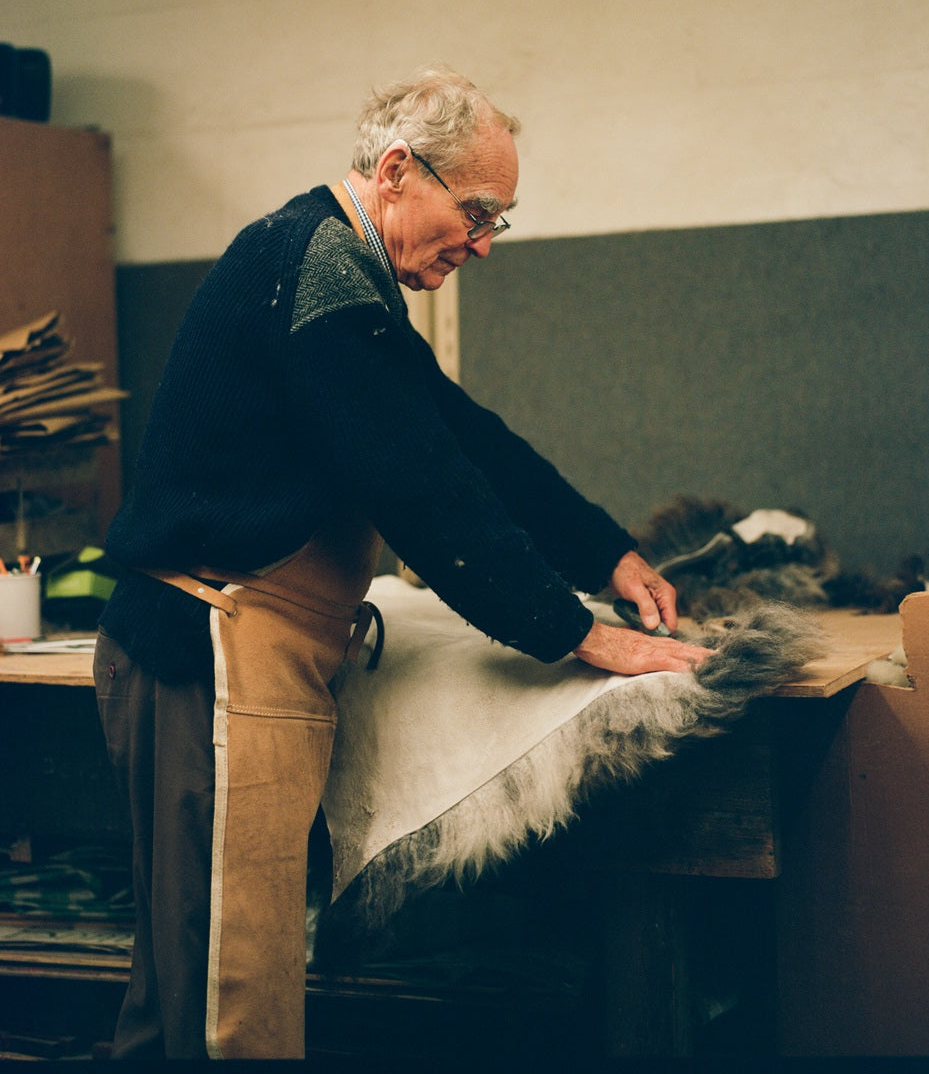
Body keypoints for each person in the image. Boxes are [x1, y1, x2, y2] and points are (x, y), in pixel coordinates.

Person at [94, 66, 711, 1060]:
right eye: (475, 212)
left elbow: (465, 439)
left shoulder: (342, 270)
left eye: (496, 221)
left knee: (187, 990)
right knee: (228, 1000)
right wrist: (581, 632)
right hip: (211, 647)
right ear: (394, 172)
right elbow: (426, 492)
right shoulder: (324, 273)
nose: (480, 242)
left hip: (219, 642)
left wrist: (609, 549)